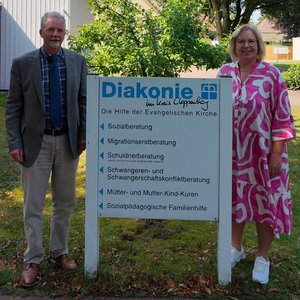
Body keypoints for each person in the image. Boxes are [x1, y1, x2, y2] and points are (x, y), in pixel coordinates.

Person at [5, 11, 87, 288]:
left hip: (66, 142)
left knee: (65, 203)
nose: (56, 35)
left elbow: (83, 102)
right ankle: (33, 258)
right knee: (33, 206)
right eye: (51, 30)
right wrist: (14, 142)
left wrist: (83, 135)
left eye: (60, 31)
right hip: (34, 145)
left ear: (65, 34)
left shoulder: (77, 62)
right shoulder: (22, 63)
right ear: (41, 32)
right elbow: (13, 106)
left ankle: (60, 252)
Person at [218, 24, 296, 284]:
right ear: (234, 45)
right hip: (232, 154)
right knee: (233, 200)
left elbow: (283, 118)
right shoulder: (224, 73)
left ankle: (262, 257)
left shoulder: (272, 75)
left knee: (265, 203)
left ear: (259, 44)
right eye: (241, 42)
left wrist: (276, 153)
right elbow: (213, 111)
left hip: (264, 155)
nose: (246, 46)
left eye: (251, 41)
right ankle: (235, 248)